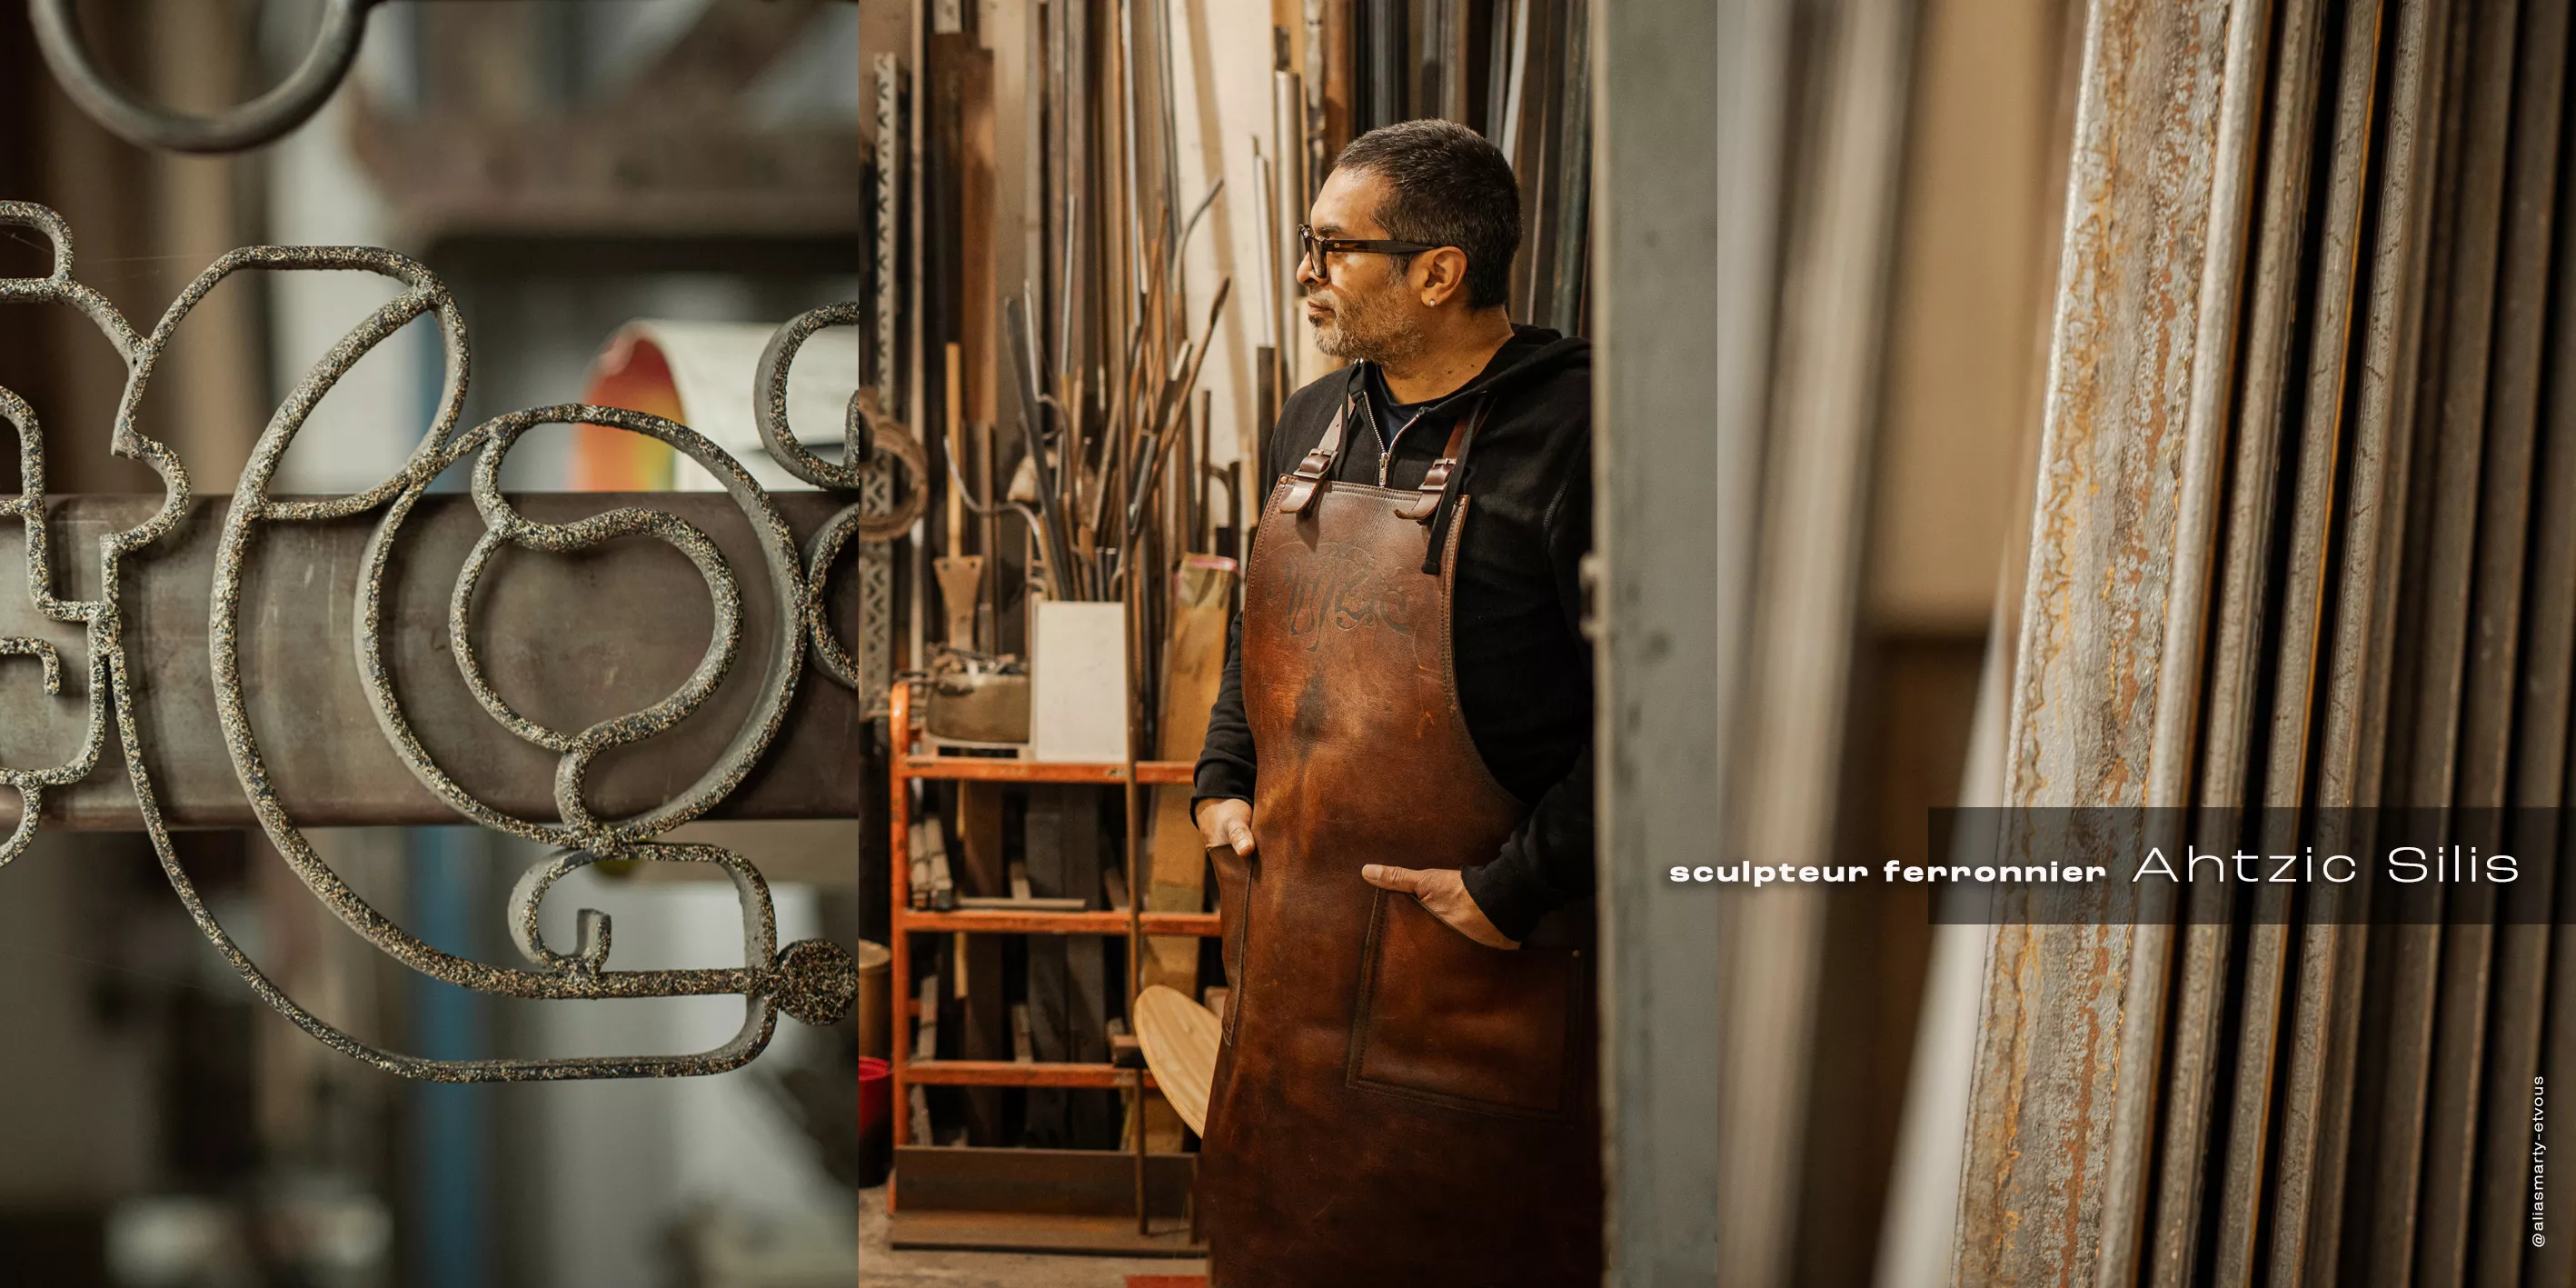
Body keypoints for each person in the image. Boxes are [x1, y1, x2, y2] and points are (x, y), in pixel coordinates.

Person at [1189, 118, 1599, 1288]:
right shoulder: (1315, 424)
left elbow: (1657, 730)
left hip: (1478, 987)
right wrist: (1222, 778)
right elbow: (1258, 626)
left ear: (1438, 270)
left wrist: (1509, 889)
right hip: (1291, 975)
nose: (1307, 272)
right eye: (1306, 242)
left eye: (1334, 247)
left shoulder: (1579, 437)